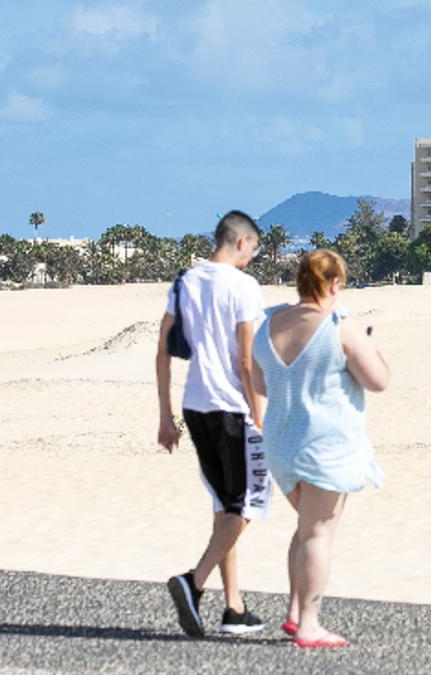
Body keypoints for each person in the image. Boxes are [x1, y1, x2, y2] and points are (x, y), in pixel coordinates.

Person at [250, 249, 389, 648]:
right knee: (318, 534)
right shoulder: (339, 326)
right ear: (334, 283)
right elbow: (378, 381)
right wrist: (373, 348)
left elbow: (260, 384)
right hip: (325, 445)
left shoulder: (268, 324)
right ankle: (309, 623)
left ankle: (296, 612)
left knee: (306, 528)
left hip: (281, 443)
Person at [155, 210, 270, 638]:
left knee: (225, 506)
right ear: (240, 241)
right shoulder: (242, 286)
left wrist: (164, 416)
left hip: (194, 406)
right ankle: (194, 581)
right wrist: (258, 415)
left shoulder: (185, 282)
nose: (251, 258)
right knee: (247, 504)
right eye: (253, 250)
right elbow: (246, 360)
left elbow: (163, 351)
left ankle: (233, 606)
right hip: (231, 409)